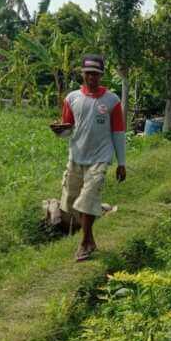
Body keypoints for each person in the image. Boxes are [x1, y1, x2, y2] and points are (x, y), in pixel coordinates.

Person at [57, 54, 127, 261]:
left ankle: (85, 242)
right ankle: (90, 237)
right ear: (83, 74)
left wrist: (121, 163)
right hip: (77, 156)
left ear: (101, 76)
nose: (92, 78)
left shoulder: (112, 101)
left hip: (100, 158)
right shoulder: (72, 99)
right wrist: (59, 131)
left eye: (96, 74)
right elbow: (67, 129)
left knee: (87, 199)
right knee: (70, 202)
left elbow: (118, 133)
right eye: (88, 74)